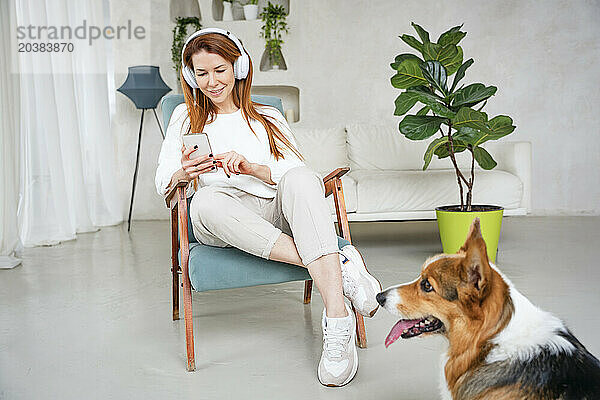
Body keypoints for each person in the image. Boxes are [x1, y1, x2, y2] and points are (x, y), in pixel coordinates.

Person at [154, 28, 382, 387]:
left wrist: (250, 167)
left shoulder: (268, 117)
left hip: (273, 210)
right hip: (223, 218)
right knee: (207, 200)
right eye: (201, 73)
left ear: (238, 67)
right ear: (190, 76)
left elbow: (295, 174)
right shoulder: (185, 117)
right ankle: (342, 264)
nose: (212, 82)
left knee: (303, 176)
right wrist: (186, 171)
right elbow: (163, 181)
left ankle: (338, 321)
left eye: (220, 69)